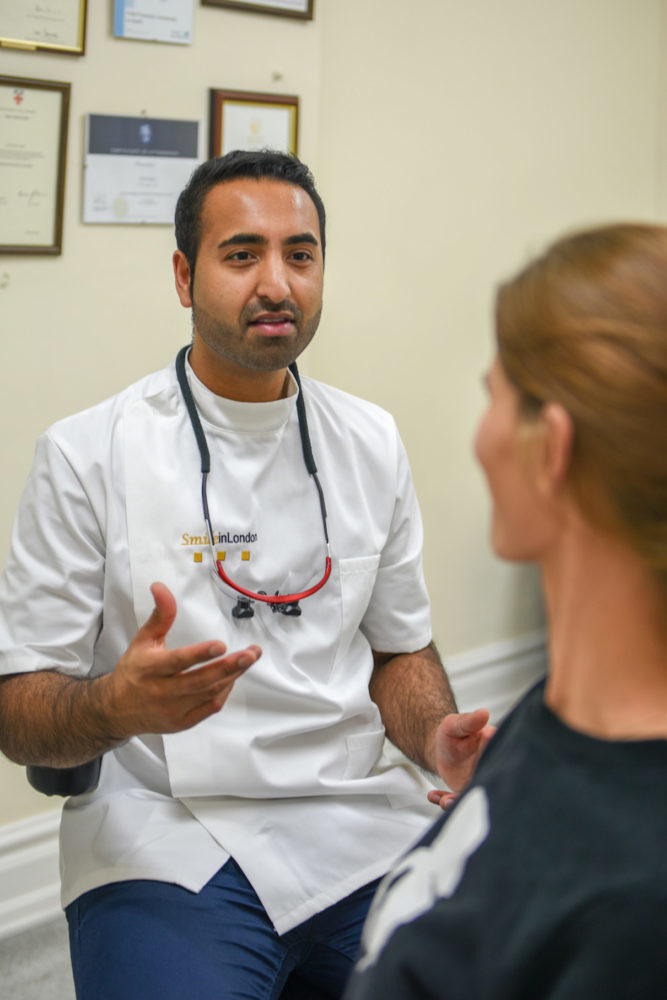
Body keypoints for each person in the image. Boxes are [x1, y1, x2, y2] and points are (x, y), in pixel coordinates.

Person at [0, 150, 491, 1000]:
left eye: (300, 254)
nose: (276, 284)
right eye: (241, 255)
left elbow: (398, 651)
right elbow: (18, 715)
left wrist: (435, 736)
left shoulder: (369, 440)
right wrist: (115, 706)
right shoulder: (87, 454)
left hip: (353, 818)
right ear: (184, 277)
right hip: (169, 836)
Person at [343, 222, 667, 1000]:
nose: (479, 438)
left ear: (549, 448)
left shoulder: (634, 903)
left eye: (493, 396)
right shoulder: (550, 720)